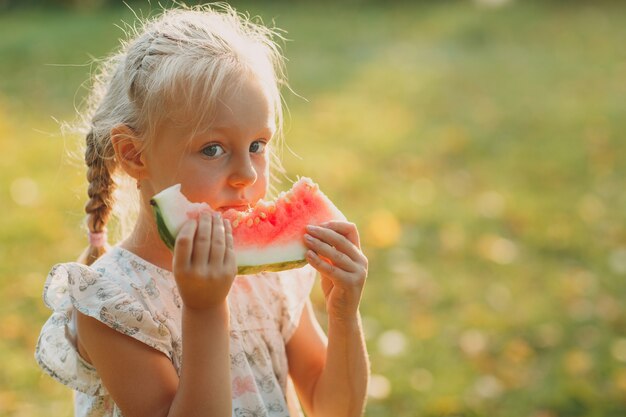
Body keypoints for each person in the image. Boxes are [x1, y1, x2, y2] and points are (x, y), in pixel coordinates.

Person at [35, 4, 369, 417]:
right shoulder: (111, 304)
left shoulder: (268, 284)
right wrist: (205, 309)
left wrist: (343, 315)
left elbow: (333, 408)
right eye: (212, 149)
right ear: (134, 155)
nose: (246, 174)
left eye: (257, 145)